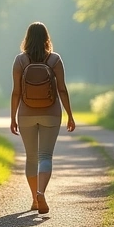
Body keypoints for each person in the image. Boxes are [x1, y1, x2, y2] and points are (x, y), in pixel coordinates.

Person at [10, 22, 76, 214]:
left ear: (27, 39)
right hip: (51, 112)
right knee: (45, 156)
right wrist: (70, 115)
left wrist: (13, 117)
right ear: (47, 38)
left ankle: (34, 199)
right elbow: (62, 89)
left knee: (31, 158)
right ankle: (41, 192)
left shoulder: (20, 61)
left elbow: (16, 92)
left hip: (26, 114)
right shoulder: (55, 60)